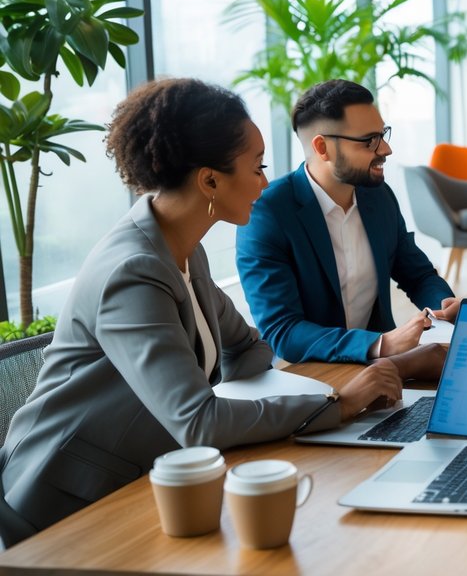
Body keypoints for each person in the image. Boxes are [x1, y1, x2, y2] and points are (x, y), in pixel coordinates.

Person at [0, 79, 415, 544]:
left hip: (156, 476)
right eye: (257, 167)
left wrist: (261, 409)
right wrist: (337, 404)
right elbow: (198, 422)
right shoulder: (134, 271)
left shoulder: (181, 247)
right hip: (68, 504)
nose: (265, 181)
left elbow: (249, 350)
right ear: (210, 180)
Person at [236, 80, 459, 365]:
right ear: (323, 148)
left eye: (382, 134)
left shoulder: (378, 197)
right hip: (312, 377)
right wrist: (381, 343)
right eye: (370, 140)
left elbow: (417, 274)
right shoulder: (268, 213)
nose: (386, 149)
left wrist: (444, 306)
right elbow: (283, 331)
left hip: (386, 369)